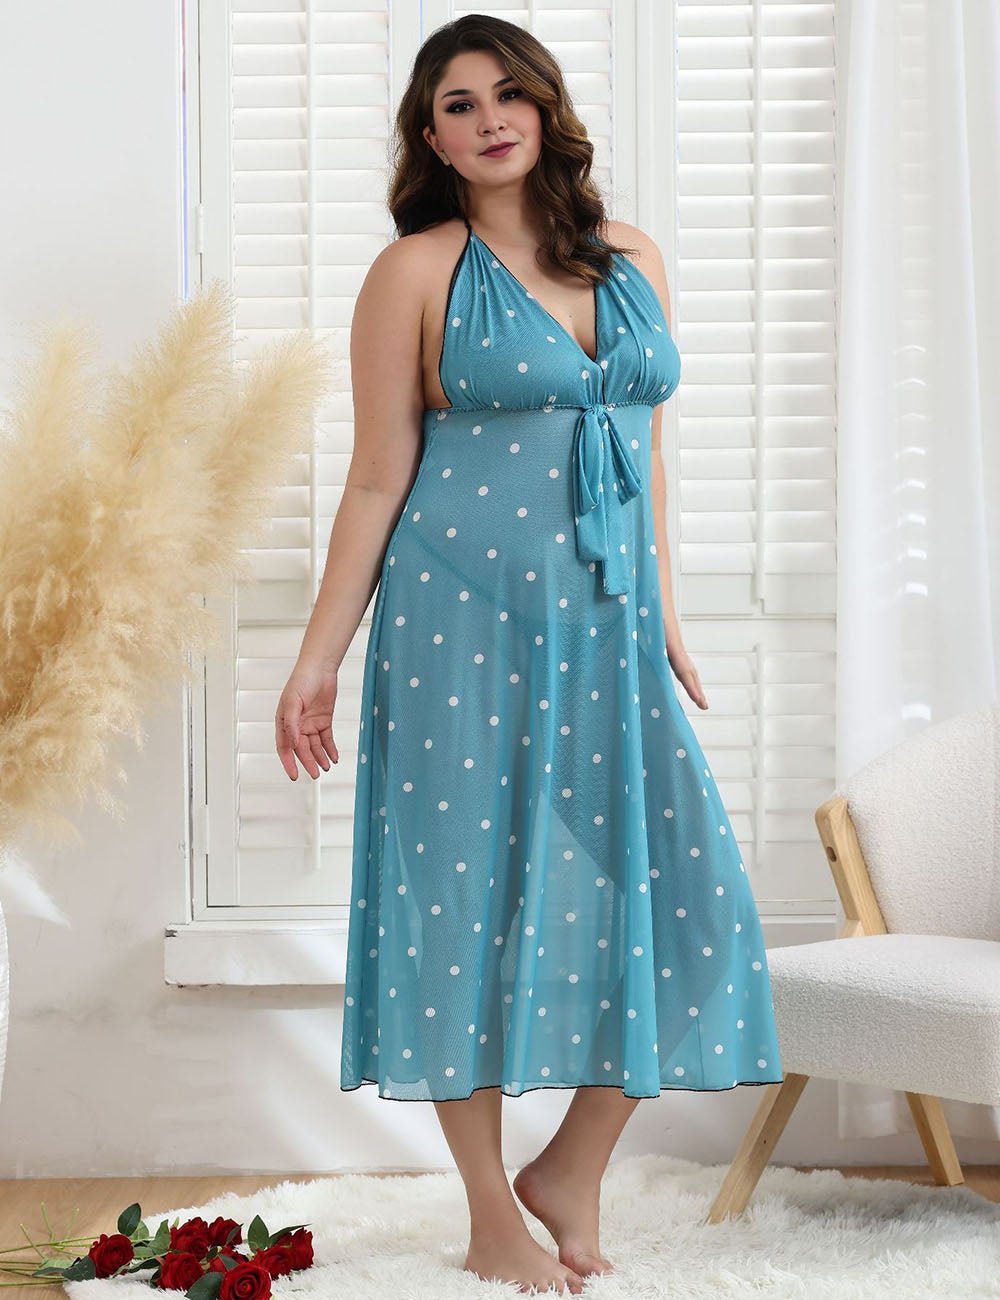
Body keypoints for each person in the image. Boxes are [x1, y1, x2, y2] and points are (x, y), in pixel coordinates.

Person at [275, 13, 783, 1296]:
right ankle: (490, 1217)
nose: (489, 117)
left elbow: (643, 452)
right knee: (462, 904)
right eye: (458, 103)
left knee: (695, 904)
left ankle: (568, 1171)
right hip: (457, 628)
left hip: (607, 628)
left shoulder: (632, 256)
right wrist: (318, 657)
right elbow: (376, 477)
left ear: (547, 107)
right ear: (430, 135)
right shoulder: (415, 271)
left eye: (509, 92)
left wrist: (663, 613)